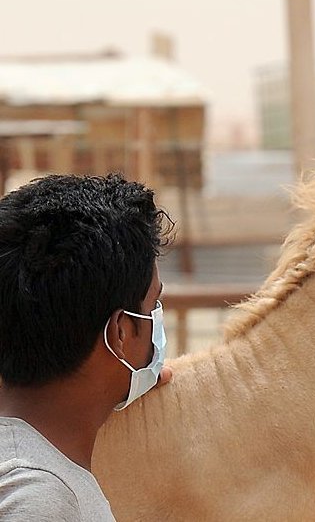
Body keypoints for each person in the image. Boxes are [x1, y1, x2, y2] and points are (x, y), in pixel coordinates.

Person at [0, 174, 174, 521]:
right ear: (121, 334)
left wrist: (104, 388)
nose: (157, 318)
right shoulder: (40, 499)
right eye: (153, 304)